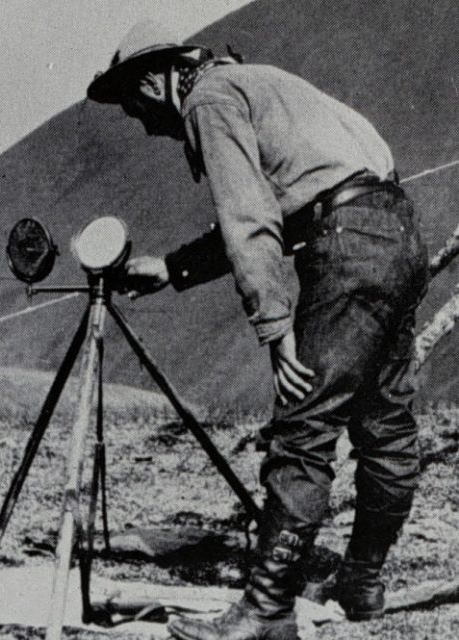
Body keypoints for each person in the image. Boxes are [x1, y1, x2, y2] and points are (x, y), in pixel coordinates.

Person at [87, 20, 429, 640]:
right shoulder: (262, 82)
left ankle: (267, 612)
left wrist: (275, 328)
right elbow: (303, 195)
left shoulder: (209, 99)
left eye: (135, 104)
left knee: (303, 429)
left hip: (349, 246)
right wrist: (174, 266)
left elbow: (250, 218)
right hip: (398, 233)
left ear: (156, 81)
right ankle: (362, 582)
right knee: (386, 426)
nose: (141, 123)